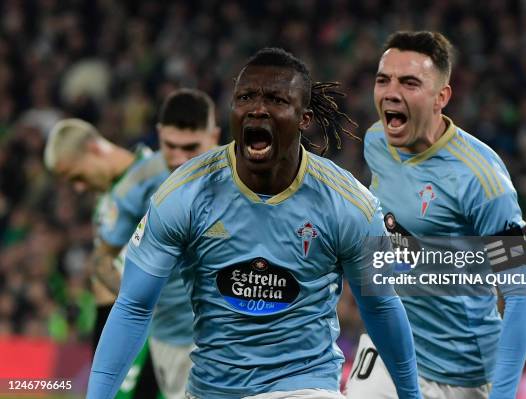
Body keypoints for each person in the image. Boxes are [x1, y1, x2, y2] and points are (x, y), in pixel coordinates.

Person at [87, 47, 422, 399]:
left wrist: (410, 395)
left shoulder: (348, 204)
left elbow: (381, 306)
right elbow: (135, 305)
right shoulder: (183, 194)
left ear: (304, 118)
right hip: (210, 389)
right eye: (245, 97)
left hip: (303, 387)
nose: (258, 108)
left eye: (276, 99)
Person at [345, 31, 526, 399]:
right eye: (383, 79)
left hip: (460, 373)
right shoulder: (376, 143)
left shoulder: (481, 180)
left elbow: (522, 296)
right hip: (390, 350)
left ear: (441, 98)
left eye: (409, 82)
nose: (391, 92)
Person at [44, 88, 220, 399]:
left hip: (216, 329)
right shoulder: (130, 191)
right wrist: (140, 301)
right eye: (171, 147)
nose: (80, 187)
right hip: (162, 334)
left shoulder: (222, 174)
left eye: (77, 176)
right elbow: (103, 267)